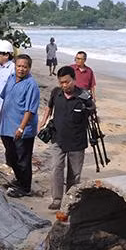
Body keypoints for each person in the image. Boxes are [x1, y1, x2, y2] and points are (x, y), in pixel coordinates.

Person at [40, 65, 95, 210]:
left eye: (67, 82)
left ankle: (70, 201)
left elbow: (93, 114)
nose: (64, 85)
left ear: (74, 80)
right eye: (61, 82)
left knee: (74, 174)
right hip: (58, 138)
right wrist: (43, 122)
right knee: (56, 168)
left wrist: (90, 111)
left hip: (77, 141)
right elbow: (49, 108)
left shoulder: (84, 96)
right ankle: (57, 199)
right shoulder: (56, 93)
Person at [0, 54, 40, 197]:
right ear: (15, 66)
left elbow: (30, 110)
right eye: (19, 66)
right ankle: (18, 180)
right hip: (7, 125)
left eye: (24, 67)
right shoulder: (11, 79)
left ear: (29, 68)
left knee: (23, 158)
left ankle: (25, 187)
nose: (21, 69)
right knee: (11, 156)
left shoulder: (31, 84)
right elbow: (5, 99)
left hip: (23, 128)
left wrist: (21, 127)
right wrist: (0, 119)